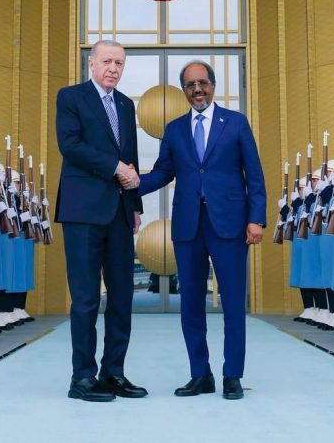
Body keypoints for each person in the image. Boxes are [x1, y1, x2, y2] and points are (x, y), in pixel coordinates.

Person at [126, 60, 266, 400]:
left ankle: (232, 375)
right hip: (188, 226)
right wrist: (132, 183)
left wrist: (256, 219)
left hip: (230, 224)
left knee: (233, 302)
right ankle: (200, 375)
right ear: (184, 91)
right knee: (190, 304)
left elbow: (254, 174)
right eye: (190, 85)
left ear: (212, 86)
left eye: (202, 83)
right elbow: (163, 172)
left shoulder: (235, 122)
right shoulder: (174, 130)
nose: (197, 89)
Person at [55, 40, 146, 402]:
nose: (113, 68)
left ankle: (113, 373)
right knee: (86, 298)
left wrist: (135, 205)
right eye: (107, 61)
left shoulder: (125, 104)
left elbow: (131, 157)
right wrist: (114, 167)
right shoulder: (71, 97)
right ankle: (82, 377)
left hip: (120, 212)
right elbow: (70, 145)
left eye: (119, 63)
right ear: (91, 63)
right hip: (82, 212)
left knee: (122, 296)